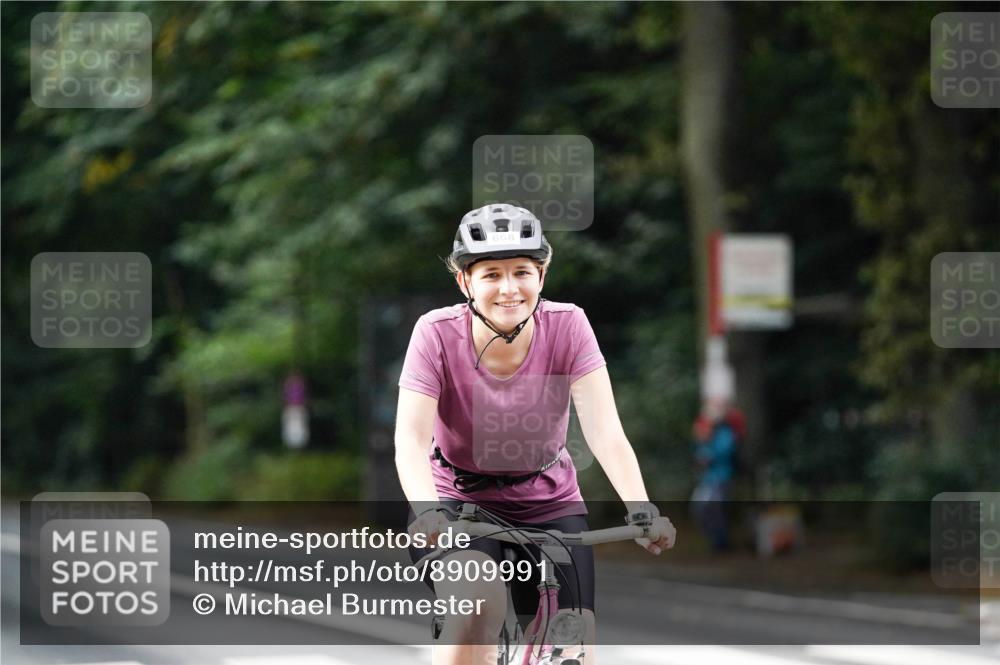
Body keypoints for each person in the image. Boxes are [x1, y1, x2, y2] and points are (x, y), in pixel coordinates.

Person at [394, 203, 676, 665]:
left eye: (522, 271)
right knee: (477, 603)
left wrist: (641, 507)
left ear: (541, 275)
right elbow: (410, 438)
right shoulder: (436, 333)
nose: (509, 289)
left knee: (574, 644)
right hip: (456, 502)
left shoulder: (568, 325)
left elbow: (605, 430)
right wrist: (427, 513)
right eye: (491, 275)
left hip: (549, 501)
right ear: (465, 282)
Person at [690, 397, 744, 552]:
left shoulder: (725, 433)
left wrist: (707, 453)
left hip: (721, 478)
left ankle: (721, 542)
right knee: (701, 509)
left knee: (711, 509)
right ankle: (717, 540)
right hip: (708, 479)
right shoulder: (707, 433)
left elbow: (723, 452)